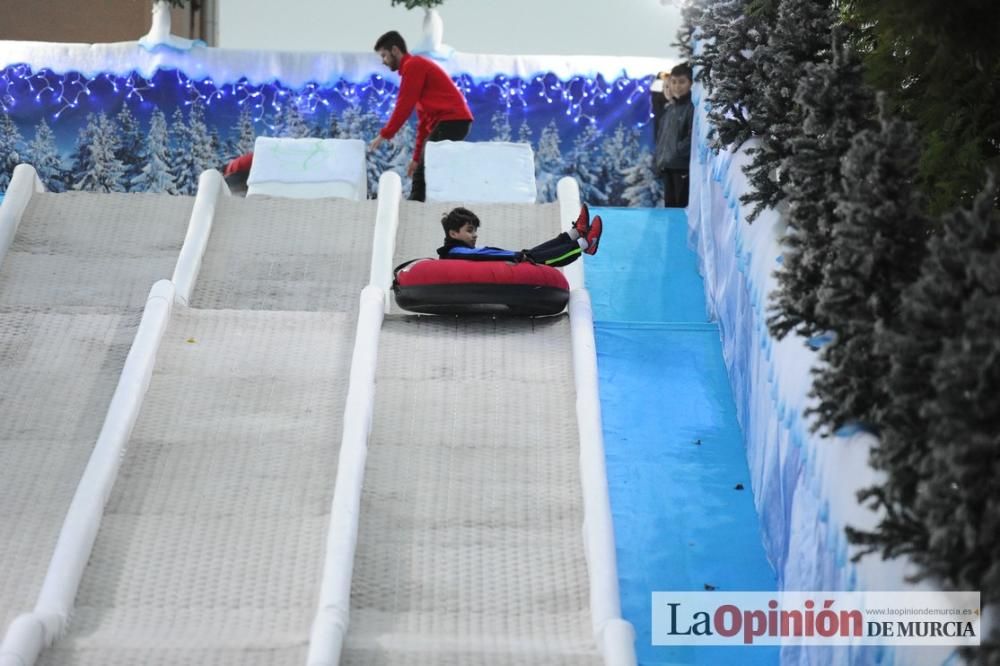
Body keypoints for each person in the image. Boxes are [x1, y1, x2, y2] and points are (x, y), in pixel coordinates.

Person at [368, 30, 474, 202]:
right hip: (451, 122)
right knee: (424, 166)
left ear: (395, 50)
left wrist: (385, 133)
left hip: (452, 120)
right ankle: (421, 203)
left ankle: (415, 206)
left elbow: (404, 104)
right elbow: (424, 123)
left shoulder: (413, 66)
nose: (383, 62)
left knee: (424, 170)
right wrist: (416, 158)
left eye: (384, 56)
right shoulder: (414, 70)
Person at [437, 204, 603, 267]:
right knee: (535, 258)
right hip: (510, 269)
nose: (475, 235)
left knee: (531, 253)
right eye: (469, 230)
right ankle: (585, 244)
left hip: (508, 268)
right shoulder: (454, 252)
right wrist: (515, 255)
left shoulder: (453, 252)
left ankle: (575, 234)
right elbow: (482, 253)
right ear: (453, 233)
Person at [654, 62, 694, 207]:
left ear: (691, 83)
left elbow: (692, 138)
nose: (677, 86)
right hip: (669, 168)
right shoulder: (671, 109)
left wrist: (676, 151)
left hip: (683, 169)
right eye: (674, 82)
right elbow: (662, 139)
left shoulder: (691, 107)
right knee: (670, 212)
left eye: (682, 82)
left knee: (680, 212)